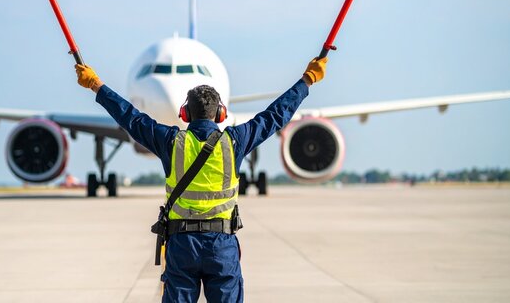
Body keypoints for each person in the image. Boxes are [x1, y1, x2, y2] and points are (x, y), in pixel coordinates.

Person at [74, 56, 327, 303]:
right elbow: (275, 115)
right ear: (220, 113)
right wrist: (306, 81)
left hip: (182, 246)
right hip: (222, 246)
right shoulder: (234, 142)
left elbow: (130, 117)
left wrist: (96, 85)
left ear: (184, 114)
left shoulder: (171, 143)